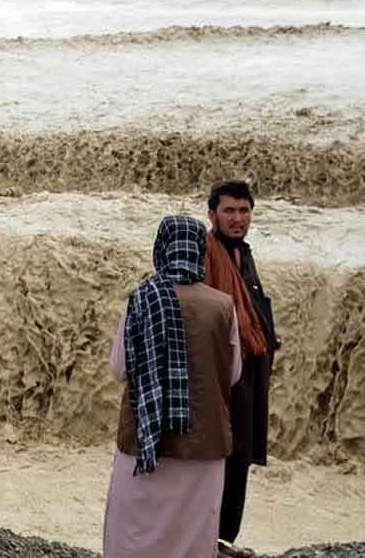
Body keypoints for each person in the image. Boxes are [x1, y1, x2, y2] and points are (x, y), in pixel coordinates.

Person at [103, 216, 242, 558]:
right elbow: (234, 374)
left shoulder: (142, 298)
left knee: (133, 533)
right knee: (194, 536)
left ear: (161, 248)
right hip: (205, 441)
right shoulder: (223, 305)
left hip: (146, 440)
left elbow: (119, 369)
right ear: (199, 251)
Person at [204, 181, 281, 558]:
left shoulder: (243, 254)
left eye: (244, 211)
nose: (238, 219)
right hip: (222, 377)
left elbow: (247, 307)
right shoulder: (206, 253)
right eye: (230, 211)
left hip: (248, 373)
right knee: (220, 458)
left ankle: (223, 542)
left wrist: (267, 332)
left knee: (239, 460)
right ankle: (207, 541)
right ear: (212, 215)